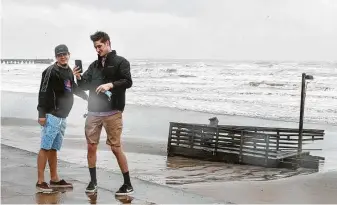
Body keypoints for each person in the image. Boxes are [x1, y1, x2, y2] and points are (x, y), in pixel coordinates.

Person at [73, 31, 133, 195]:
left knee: (115, 148)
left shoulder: (121, 62)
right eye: (95, 47)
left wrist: (110, 85)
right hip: (93, 112)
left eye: (99, 46)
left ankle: (127, 184)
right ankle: (93, 182)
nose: (97, 49)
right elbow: (83, 86)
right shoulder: (94, 65)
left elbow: (128, 81)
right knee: (91, 147)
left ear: (108, 43)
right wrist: (78, 77)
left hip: (113, 112)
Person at [36, 44, 88, 193]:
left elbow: (72, 88)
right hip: (51, 115)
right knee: (45, 147)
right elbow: (43, 91)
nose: (62, 57)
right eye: (59, 55)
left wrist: (87, 98)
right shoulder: (50, 71)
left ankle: (55, 179)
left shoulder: (68, 72)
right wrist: (41, 113)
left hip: (62, 117)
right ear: (56, 57)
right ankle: (40, 181)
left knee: (53, 148)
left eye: (64, 54)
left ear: (69, 54)